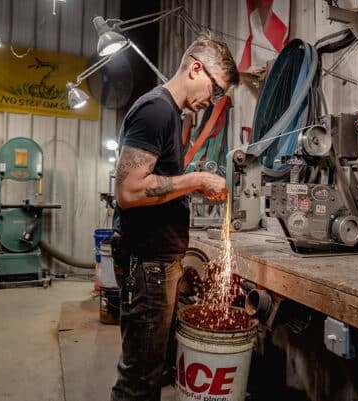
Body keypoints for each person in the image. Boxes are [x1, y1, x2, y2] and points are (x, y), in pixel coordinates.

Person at [110, 36, 240, 401]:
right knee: (138, 379)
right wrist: (195, 179)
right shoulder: (157, 110)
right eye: (215, 89)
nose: (213, 100)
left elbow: (155, 184)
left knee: (150, 372)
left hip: (157, 263)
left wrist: (188, 188)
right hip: (148, 265)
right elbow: (130, 190)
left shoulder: (168, 113)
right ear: (196, 68)